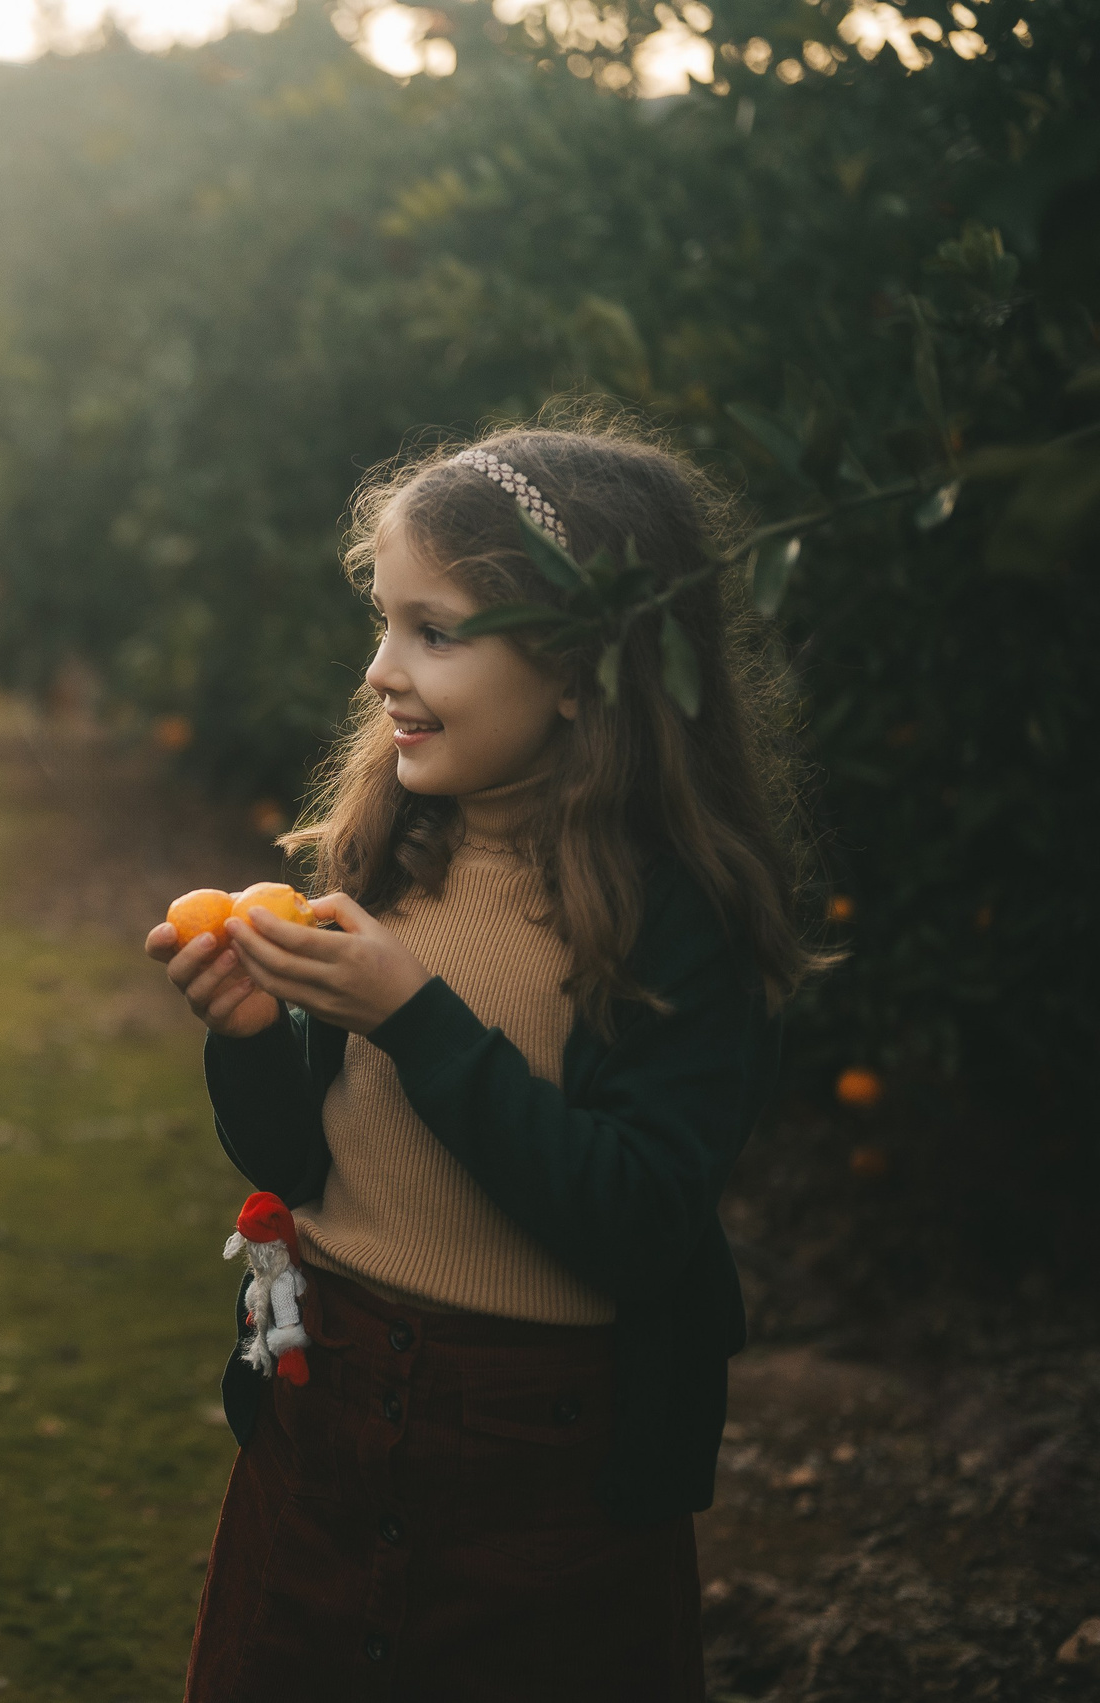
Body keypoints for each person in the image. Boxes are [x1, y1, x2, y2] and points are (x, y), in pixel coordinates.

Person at [147, 415, 830, 1701]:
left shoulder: (672, 920)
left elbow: (635, 1219)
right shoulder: (393, 863)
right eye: (383, 621)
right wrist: (252, 1042)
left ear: (581, 669)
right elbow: (309, 1163)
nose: (379, 671)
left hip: (546, 1474)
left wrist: (416, 1018)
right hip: (326, 1413)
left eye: (435, 631)